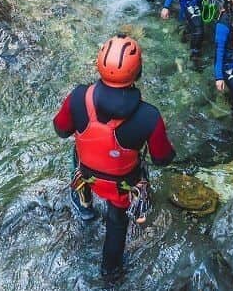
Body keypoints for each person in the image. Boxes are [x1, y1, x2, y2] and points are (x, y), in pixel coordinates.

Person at [53, 34, 176, 280]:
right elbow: (162, 158)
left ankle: (85, 207)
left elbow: (61, 129)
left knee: (76, 151)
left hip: (86, 174)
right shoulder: (149, 116)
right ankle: (111, 272)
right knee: (117, 222)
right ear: (137, 72)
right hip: (121, 185)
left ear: (99, 64)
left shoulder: (78, 96)